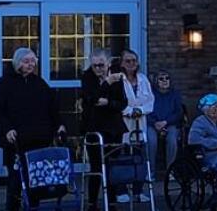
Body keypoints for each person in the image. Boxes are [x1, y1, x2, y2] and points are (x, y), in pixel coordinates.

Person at [0, 47, 66, 211]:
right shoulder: (4, 84)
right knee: (16, 178)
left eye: (32, 61)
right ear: (17, 63)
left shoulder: (39, 84)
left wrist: (59, 125)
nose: (30, 65)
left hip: (38, 138)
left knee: (36, 178)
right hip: (16, 140)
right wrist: (7, 129)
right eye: (26, 61)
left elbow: (52, 108)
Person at [77, 50, 127, 201]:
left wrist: (109, 103)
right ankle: (93, 204)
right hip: (95, 127)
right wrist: (106, 83)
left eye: (101, 65)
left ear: (108, 63)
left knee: (112, 167)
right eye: (95, 66)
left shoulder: (116, 77)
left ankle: (111, 204)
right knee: (97, 167)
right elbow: (91, 99)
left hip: (114, 127)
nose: (98, 69)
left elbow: (122, 103)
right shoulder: (87, 78)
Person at [116, 49, 155, 201]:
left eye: (134, 61)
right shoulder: (118, 80)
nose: (131, 64)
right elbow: (118, 102)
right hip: (124, 123)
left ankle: (138, 191)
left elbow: (150, 101)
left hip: (141, 122)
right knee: (123, 156)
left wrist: (141, 110)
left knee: (139, 156)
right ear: (122, 64)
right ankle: (121, 191)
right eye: (128, 61)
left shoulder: (143, 79)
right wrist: (130, 111)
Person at [149, 69, 185, 184]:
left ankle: (170, 172)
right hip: (153, 124)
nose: (164, 81)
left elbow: (179, 113)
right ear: (156, 81)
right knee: (151, 140)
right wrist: (155, 123)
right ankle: (150, 172)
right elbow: (146, 110)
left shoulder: (175, 94)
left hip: (170, 124)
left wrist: (166, 122)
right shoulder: (150, 94)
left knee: (172, 140)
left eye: (167, 78)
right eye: (161, 79)